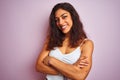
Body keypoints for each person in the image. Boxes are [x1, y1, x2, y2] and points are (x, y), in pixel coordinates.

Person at [36, 2, 94, 80]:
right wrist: (71, 69)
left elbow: (80, 76)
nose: (60, 22)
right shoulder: (51, 39)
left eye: (64, 17)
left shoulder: (86, 44)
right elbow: (38, 66)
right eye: (57, 20)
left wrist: (51, 60)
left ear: (73, 17)